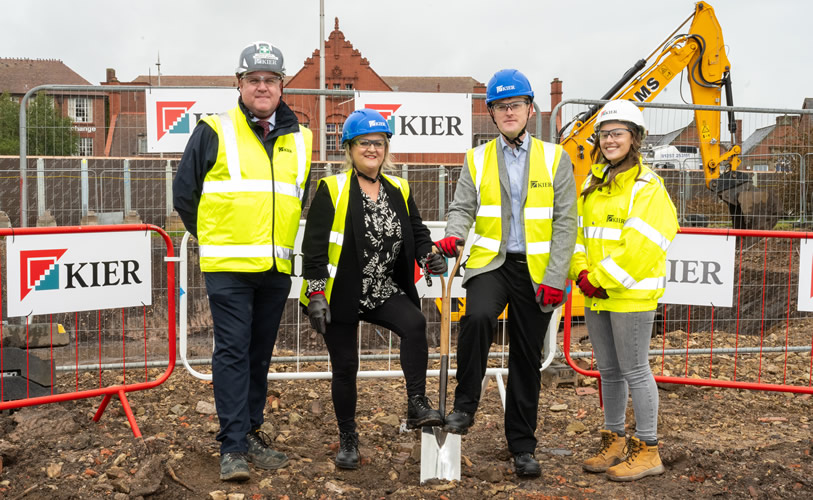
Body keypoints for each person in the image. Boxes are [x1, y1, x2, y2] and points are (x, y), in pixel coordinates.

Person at [173, 41, 312, 482]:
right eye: (253, 79)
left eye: (270, 80)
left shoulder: (301, 138)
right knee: (232, 352)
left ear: (282, 85)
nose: (262, 87)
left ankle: (251, 430)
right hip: (229, 268)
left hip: (274, 269)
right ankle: (232, 446)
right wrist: (215, 239)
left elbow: (295, 198)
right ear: (239, 84)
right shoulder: (214, 129)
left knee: (258, 353)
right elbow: (184, 194)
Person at [434, 69, 577, 478]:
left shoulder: (555, 157)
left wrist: (555, 277)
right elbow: (462, 208)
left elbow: (566, 222)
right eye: (500, 106)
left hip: (536, 272)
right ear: (492, 114)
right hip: (490, 264)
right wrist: (453, 238)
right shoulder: (477, 159)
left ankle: (522, 446)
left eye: (515, 105)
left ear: (530, 109)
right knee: (477, 317)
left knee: (526, 357)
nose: (508, 112)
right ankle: (465, 406)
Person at [299, 108, 446, 470]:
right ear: (349, 148)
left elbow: (417, 229)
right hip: (340, 293)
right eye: (364, 143)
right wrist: (316, 293)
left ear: (386, 148)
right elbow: (315, 247)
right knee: (346, 366)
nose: (372, 149)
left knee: (414, 325)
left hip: (381, 287)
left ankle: (416, 404)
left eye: (378, 143)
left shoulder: (398, 187)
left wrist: (429, 253)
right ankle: (348, 438)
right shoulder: (331, 188)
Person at [571, 99, 678, 481]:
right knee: (610, 370)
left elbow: (640, 246)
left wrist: (596, 279)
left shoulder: (648, 187)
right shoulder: (594, 182)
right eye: (604, 133)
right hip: (598, 292)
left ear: (634, 139)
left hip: (629, 293)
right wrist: (582, 273)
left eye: (618, 133)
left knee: (634, 368)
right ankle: (614, 439)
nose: (609, 139)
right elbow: (581, 236)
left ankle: (648, 449)